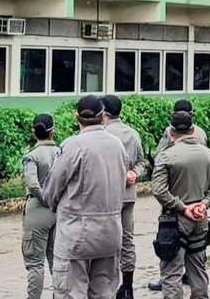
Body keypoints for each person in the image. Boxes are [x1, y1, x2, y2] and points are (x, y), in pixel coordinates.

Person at [43, 95, 127, 298]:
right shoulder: (118, 145)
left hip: (76, 234)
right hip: (110, 232)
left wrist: (55, 204)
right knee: (104, 292)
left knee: (71, 292)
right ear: (102, 116)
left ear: (76, 117)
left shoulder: (73, 145)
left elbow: (52, 188)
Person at [151, 109, 210, 298]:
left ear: (171, 132)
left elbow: (158, 190)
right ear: (192, 130)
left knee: (171, 270)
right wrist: (204, 204)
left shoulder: (166, 156)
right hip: (201, 218)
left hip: (174, 219)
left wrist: (183, 208)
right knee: (198, 267)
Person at [101, 95, 147, 298]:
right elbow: (143, 162)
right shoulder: (133, 133)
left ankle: (106, 285)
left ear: (103, 112)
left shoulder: (102, 135)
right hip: (128, 196)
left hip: (105, 198)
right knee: (127, 240)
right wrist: (135, 173)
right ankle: (127, 286)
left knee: (105, 241)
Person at [21, 114, 61, 299]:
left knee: (35, 263)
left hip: (38, 209)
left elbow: (33, 183)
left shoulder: (31, 156)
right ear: (53, 131)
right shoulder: (62, 152)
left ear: (33, 132)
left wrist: (46, 198)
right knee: (58, 261)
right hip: (60, 209)